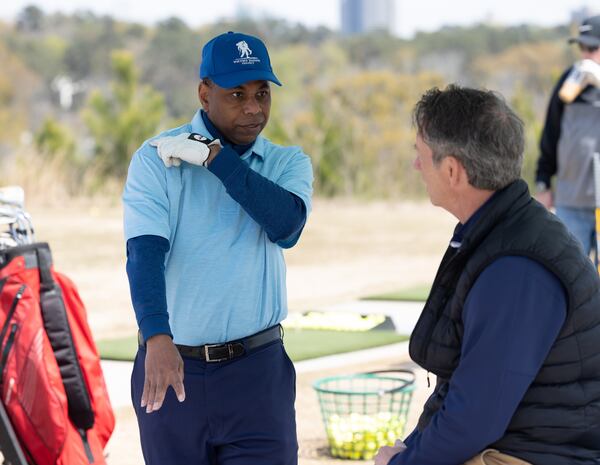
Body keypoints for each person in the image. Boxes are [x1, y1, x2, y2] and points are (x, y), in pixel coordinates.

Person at [375, 85, 600, 465]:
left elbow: (474, 418)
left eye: (421, 155)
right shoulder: (504, 231)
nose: (416, 166)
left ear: (452, 171)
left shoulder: (517, 269)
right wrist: (411, 449)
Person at [122, 31, 313, 465]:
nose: (253, 108)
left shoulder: (288, 163)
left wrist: (216, 158)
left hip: (257, 373)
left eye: (262, 93)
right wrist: (156, 336)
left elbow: (286, 226)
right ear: (205, 94)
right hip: (172, 368)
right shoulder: (156, 159)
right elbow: (145, 254)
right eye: (237, 94)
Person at [535, 15, 600, 260]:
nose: (586, 54)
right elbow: (551, 132)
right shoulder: (570, 81)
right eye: (582, 47)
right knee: (570, 278)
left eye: (592, 47)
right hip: (570, 201)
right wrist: (543, 182)